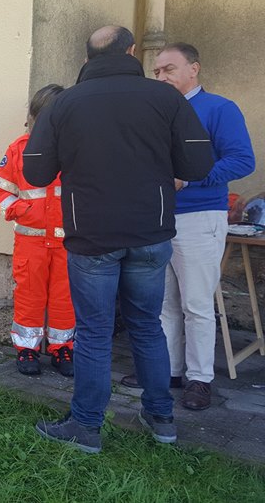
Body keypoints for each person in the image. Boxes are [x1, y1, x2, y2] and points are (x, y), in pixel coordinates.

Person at [23, 26, 214, 453]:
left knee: (93, 332)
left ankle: (87, 427)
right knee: (147, 327)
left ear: (87, 56)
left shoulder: (66, 102)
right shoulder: (166, 98)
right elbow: (199, 163)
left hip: (91, 237)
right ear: (132, 51)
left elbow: (34, 171)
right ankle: (161, 419)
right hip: (151, 233)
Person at [120, 43, 255, 410]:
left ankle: (200, 380)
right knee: (163, 302)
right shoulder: (153, 111)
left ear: (194, 69)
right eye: (157, 71)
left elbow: (243, 160)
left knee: (196, 304)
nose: (161, 76)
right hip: (156, 217)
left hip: (199, 217)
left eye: (169, 69)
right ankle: (167, 372)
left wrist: (190, 180)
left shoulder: (219, 108)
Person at [0, 84, 75, 377]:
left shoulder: (79, 148)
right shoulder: (18, 150)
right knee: (29, 294)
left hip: (68, 241)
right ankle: (27, 350)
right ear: (38, 116)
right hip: (31, 241)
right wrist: (24, 211)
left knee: (66, 297)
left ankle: (62, 349)